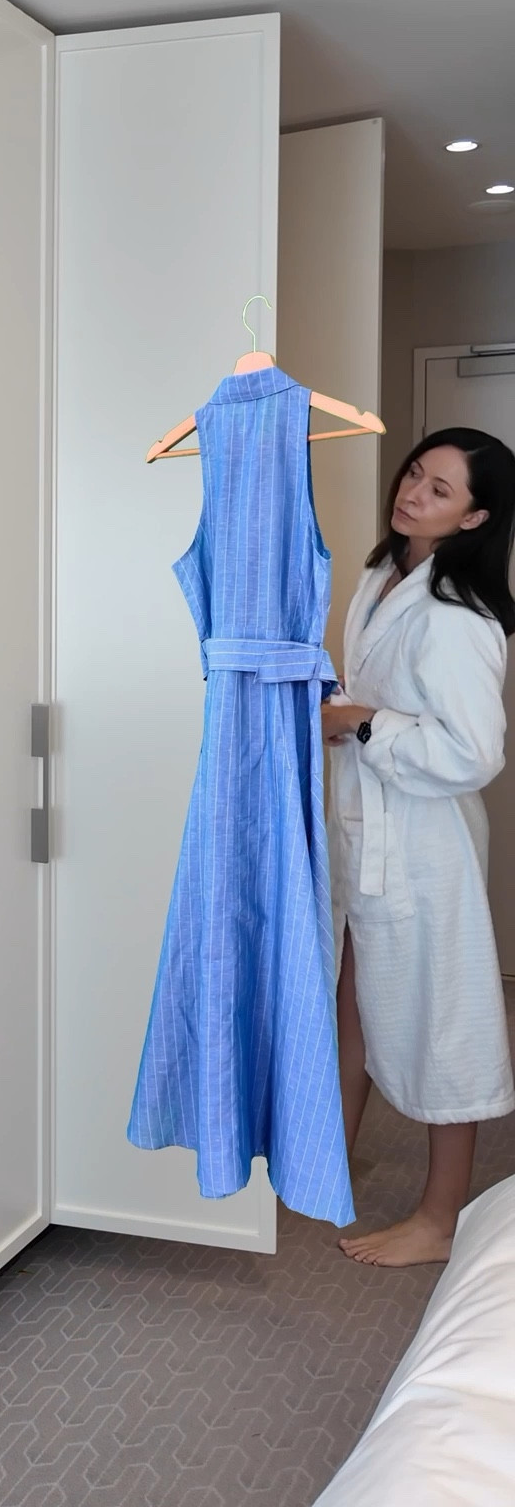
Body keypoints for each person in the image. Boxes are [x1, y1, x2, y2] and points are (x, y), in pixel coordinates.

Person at [322, 427, 515, 1268]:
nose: (412, 493)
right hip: (368, 824)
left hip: (426, 843)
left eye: (439, 490)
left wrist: (365, 724)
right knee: (352, 996)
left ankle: (439, 1220)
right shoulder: (382, 574)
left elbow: (474, 753)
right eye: (414, 474)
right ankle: (325, 1160)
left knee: (446, 1018)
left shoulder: (460, 615)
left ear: (475, 517)